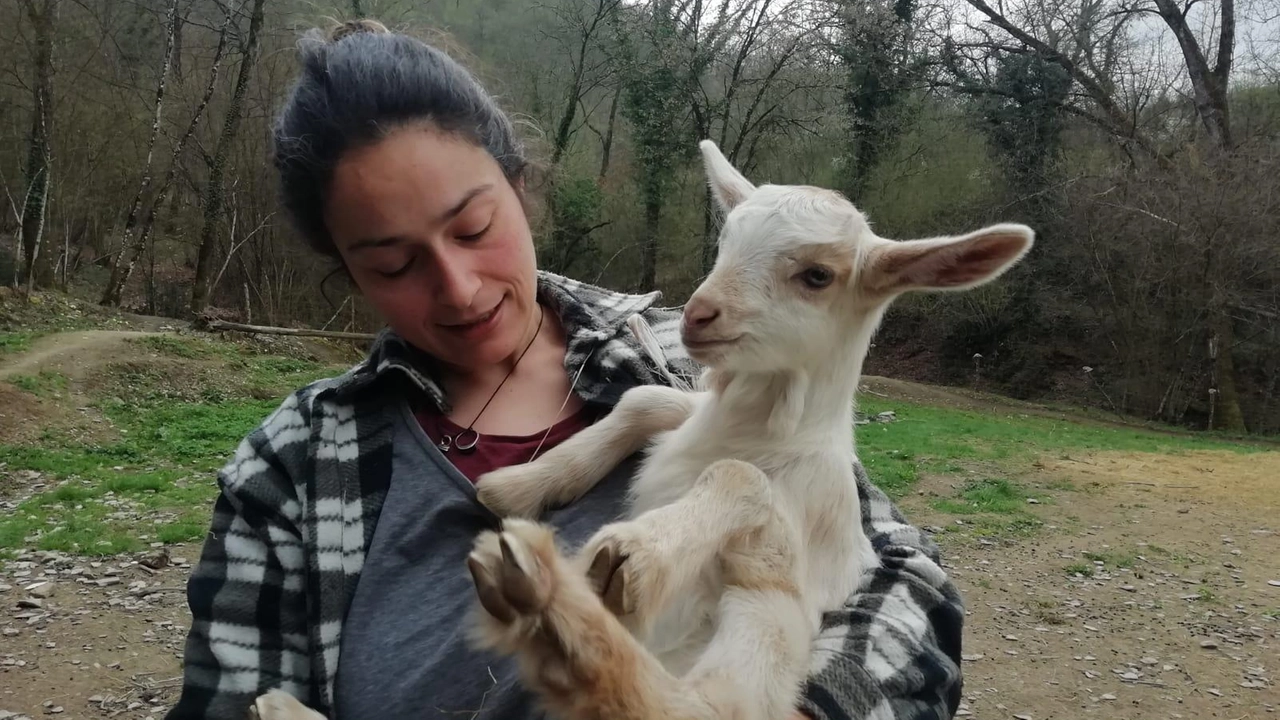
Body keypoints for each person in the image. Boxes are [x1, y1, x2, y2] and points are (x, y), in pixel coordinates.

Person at [164, 18, 965, 720]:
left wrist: (816, 711)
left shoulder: (683, 356)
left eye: (474, 227)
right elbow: (230, 698)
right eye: (392, 263)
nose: (459, 287)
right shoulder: (295, 465)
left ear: (520, 186)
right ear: (345, 267)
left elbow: (905, 579)